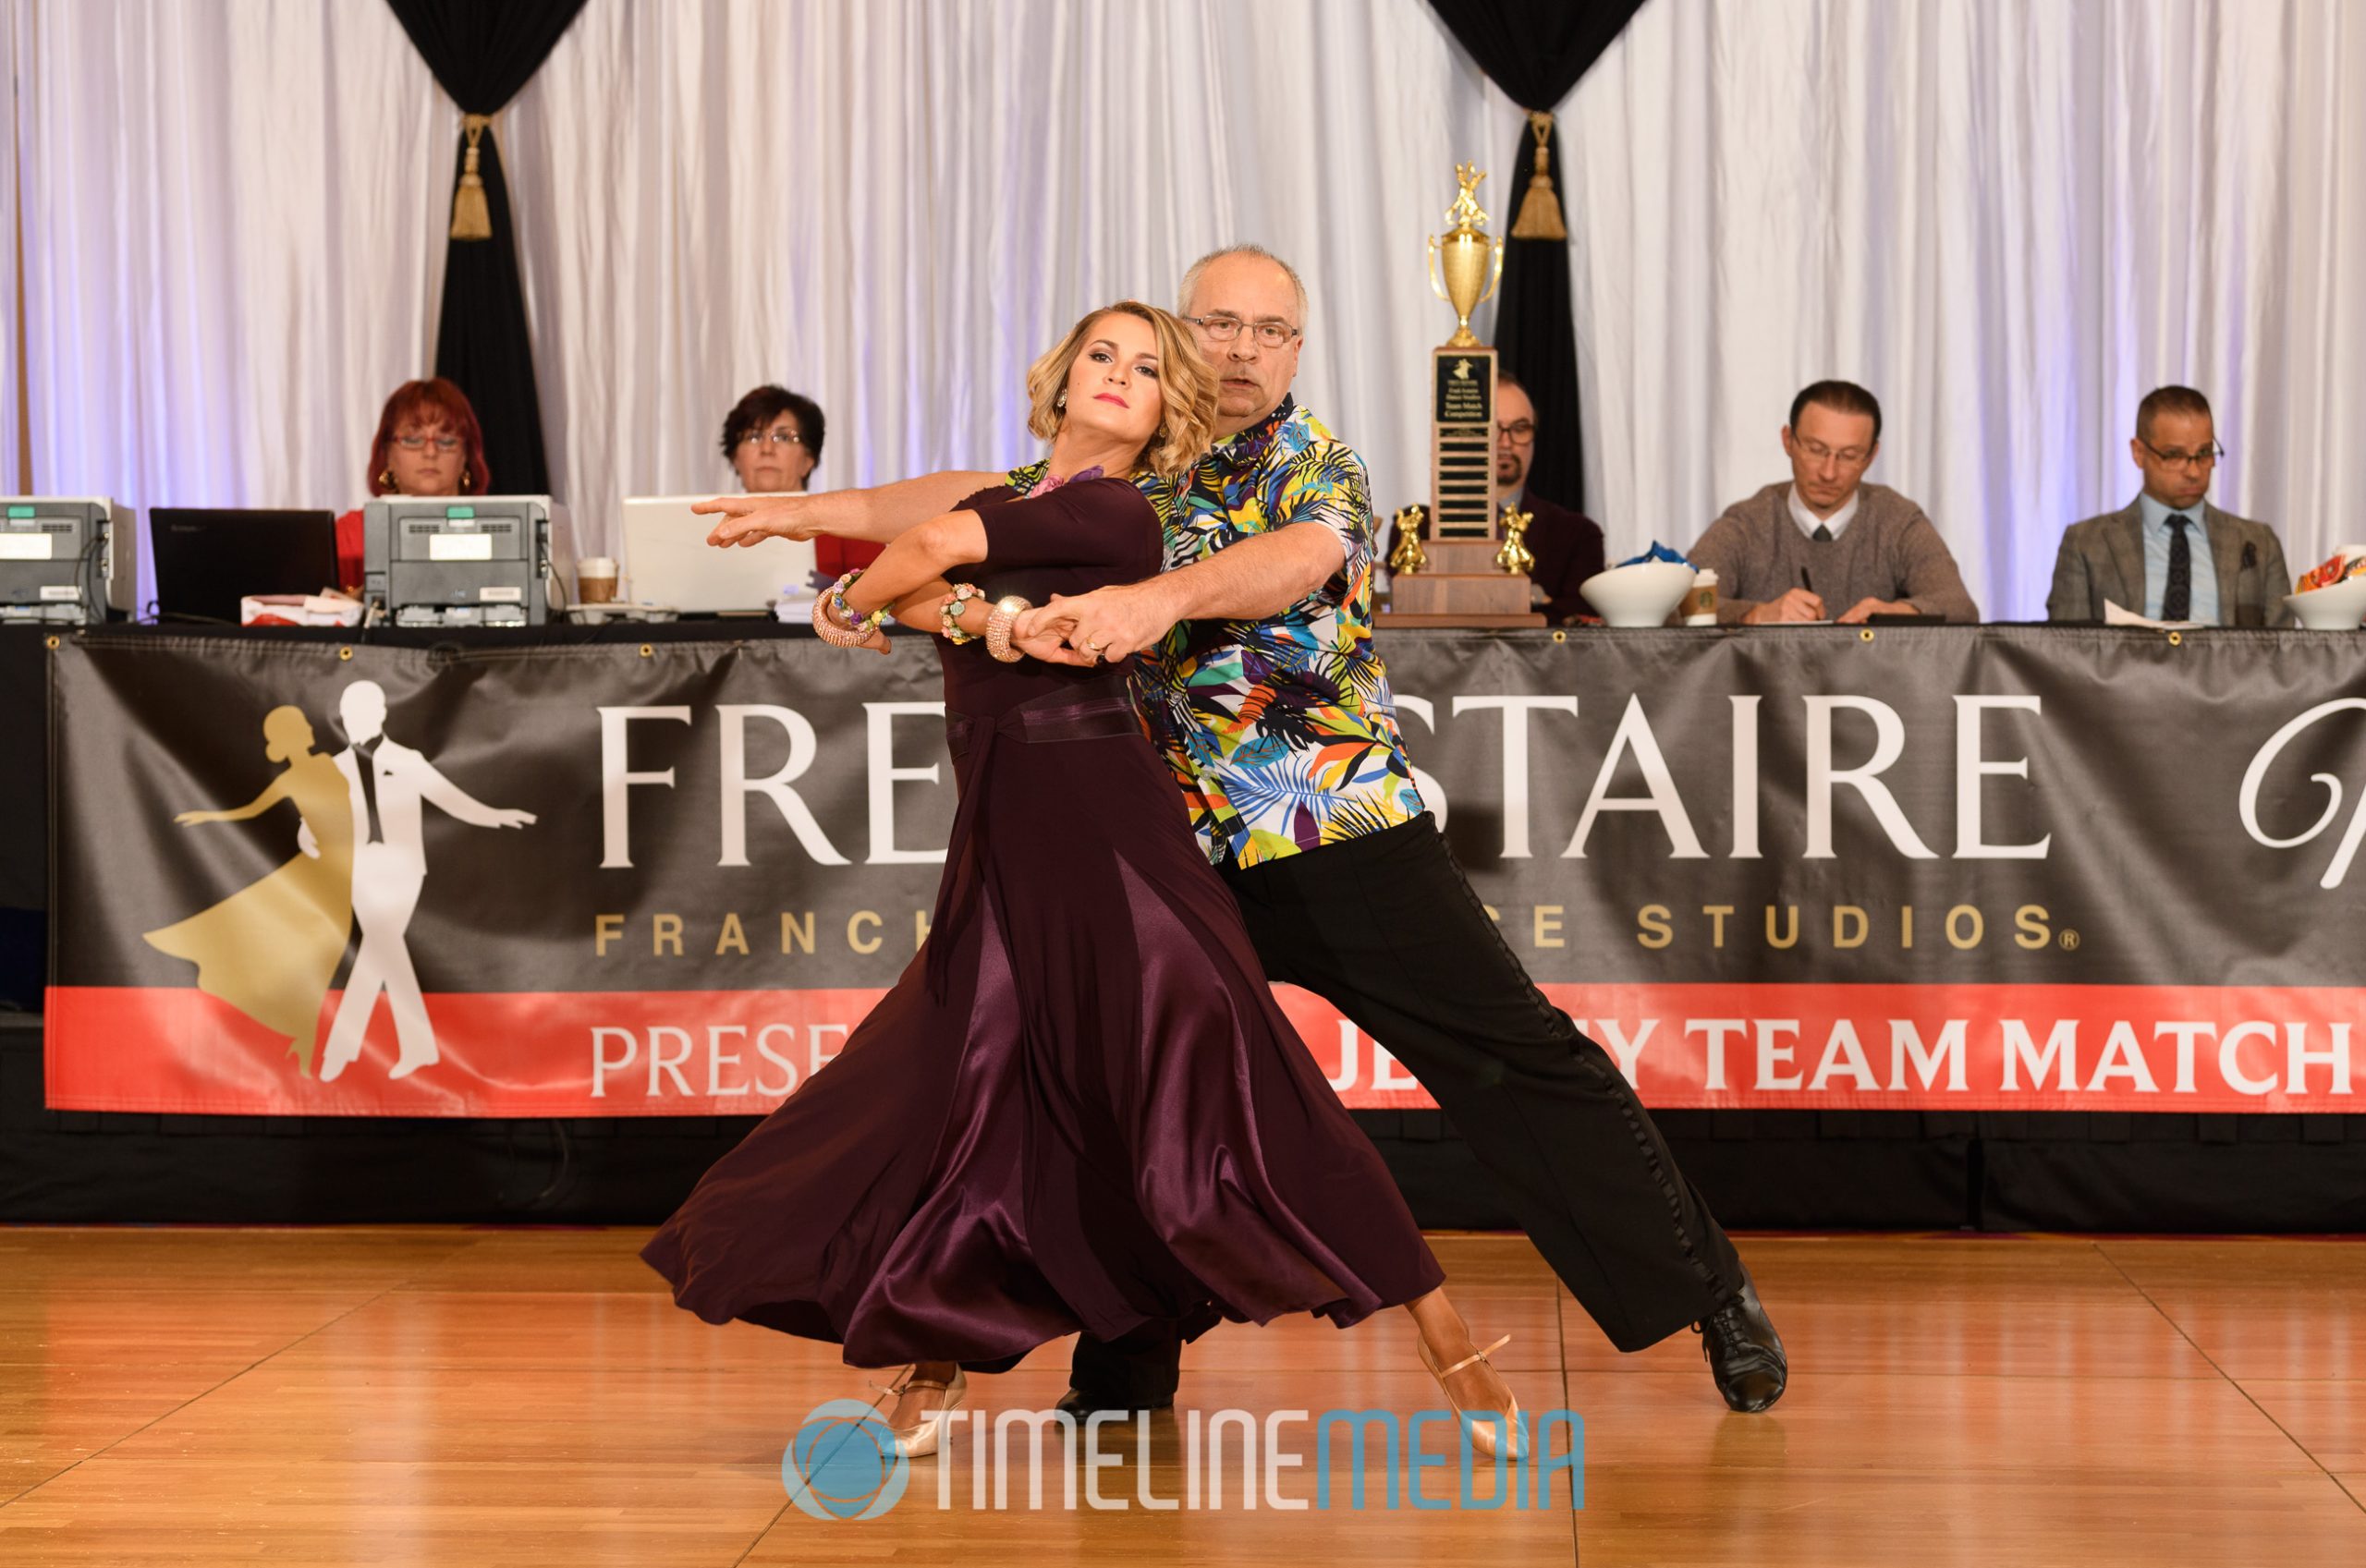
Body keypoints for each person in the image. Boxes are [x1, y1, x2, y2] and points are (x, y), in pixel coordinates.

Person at [701, 247, 1788, 1418]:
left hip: (1324, 819)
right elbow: (948, 504)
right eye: (1217, 322)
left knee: (1510, 1054)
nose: (1240, 349)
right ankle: (1123, 1367)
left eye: (1270, 331)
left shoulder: (1315, 463)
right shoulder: (1116, 460)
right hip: (1155, 839)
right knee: (1127, 1087)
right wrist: (808, 520)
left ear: (1296, 352)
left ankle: (1705, 1291)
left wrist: (1157, 598)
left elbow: (1295, 560)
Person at [646, 300, 1525, 1461]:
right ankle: (932, 1362)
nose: (1120, 375)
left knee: (1236, 1081)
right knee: (967, 1091)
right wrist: (810, 526)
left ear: (1169, 411)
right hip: (1007, 836)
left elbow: (914, 553)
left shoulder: (1116, 513)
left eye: (1150, 368)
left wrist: (864, 600)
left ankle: (1447, 1336)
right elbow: (896, 520)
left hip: (1108, 837)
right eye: (1102, 355)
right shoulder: (1020, 498)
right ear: (1061, 380)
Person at [317, 680, 536, 1084]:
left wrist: (496, 815)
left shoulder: (406, 759)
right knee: (381, 953)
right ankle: (415, 1047)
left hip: (402, 870)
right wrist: (307, 838)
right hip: (360, 869)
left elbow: (451, 799)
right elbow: (310, 821)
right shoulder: (334, 767)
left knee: (379, 948)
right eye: (347, 714)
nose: (354, 721)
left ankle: (341, 1050)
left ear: (382, 713)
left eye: (362, 712)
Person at [143, 705, 355, 1076]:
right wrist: (207, 816)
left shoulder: (326, 763)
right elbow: (249, 812)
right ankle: (304, 1047)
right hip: (323, 874)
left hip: (340, 871)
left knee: (324, 957)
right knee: (314, 959)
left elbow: (348, 816)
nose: (308, 729)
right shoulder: (290, 779)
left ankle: (303, 1044)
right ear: (286, 740)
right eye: (299, 726)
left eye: (306, 724)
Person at [1689, 380, 1979, 625]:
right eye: (1816, 450)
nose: (1829, 472)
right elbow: (1682, 605)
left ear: (1872, 455)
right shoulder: (1748, 522)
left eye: (1849, 455)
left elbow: (1960, 607)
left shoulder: (1897, 520)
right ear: (1788, 441)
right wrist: (1755, 614)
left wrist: (1899, 613)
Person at [2046, 385, 2292, 626]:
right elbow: (2069, 650)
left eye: (2204, 453)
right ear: (2139, 452)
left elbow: (2281, 653)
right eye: (2174, 456)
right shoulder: (2087, 543)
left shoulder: (2259, 543)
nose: (2194, 471)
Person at [335, 379, 491, 592]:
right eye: (412, 439)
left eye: (446, 440)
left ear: (466, 455)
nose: (430, 453)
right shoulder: (350, 536)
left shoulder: (500, 528)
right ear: (387, 453)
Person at [719, 383, 875, 581]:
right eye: (754, 436)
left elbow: (875, 607)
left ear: (809, 459)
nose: (767, 448)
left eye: (783, 437)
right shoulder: (710, 531)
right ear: (735, 458)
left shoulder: (848, 526)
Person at [1494, 373, 1604, 624]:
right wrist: (1536, 598)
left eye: (1520, 429)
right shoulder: (1420, 528)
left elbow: (1581, 612)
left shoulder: (1578, 535)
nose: (1506, 442)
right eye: (1493, 428)